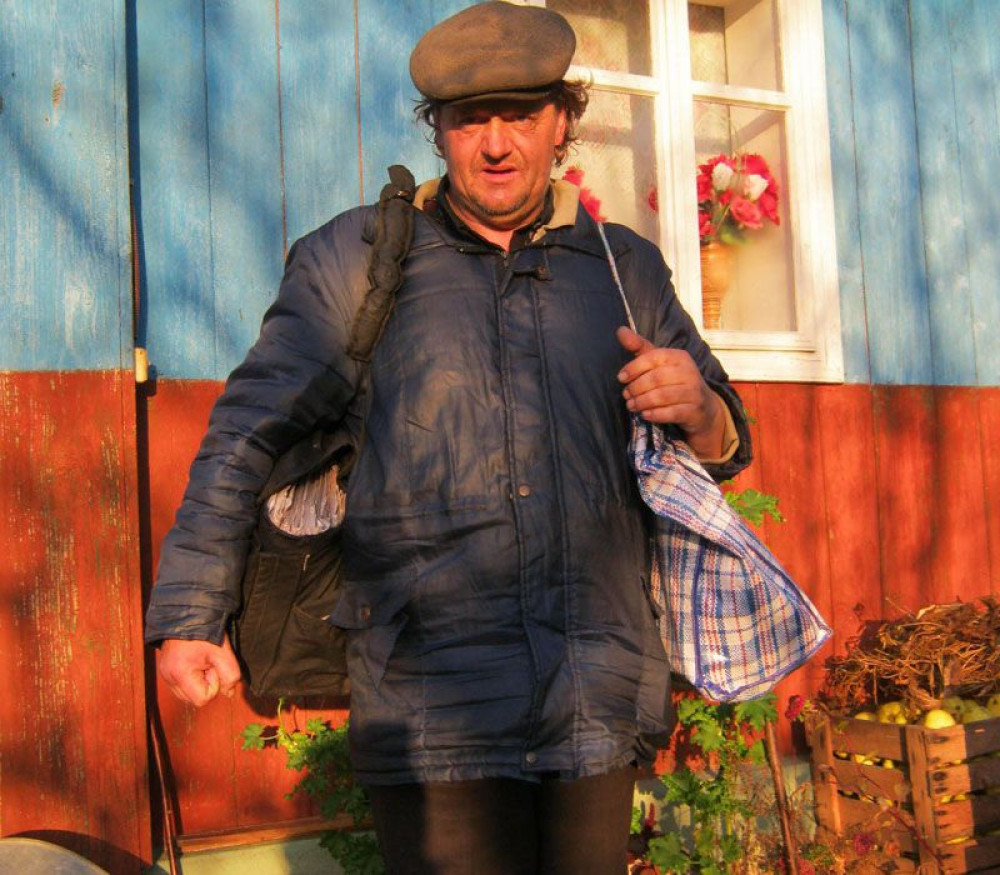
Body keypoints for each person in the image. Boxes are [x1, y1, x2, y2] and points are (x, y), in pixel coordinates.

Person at [145, 2, 752, 872]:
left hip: (596, 692)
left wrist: (698, 406)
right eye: (470, 119)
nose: (496, 143)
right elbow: (245, 433)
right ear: (437, 129)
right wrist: (190, 615)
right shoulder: (356, 262)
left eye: (521, 115)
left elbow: (725, 440)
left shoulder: (624, 269)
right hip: (430, 706)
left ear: (563, 122)